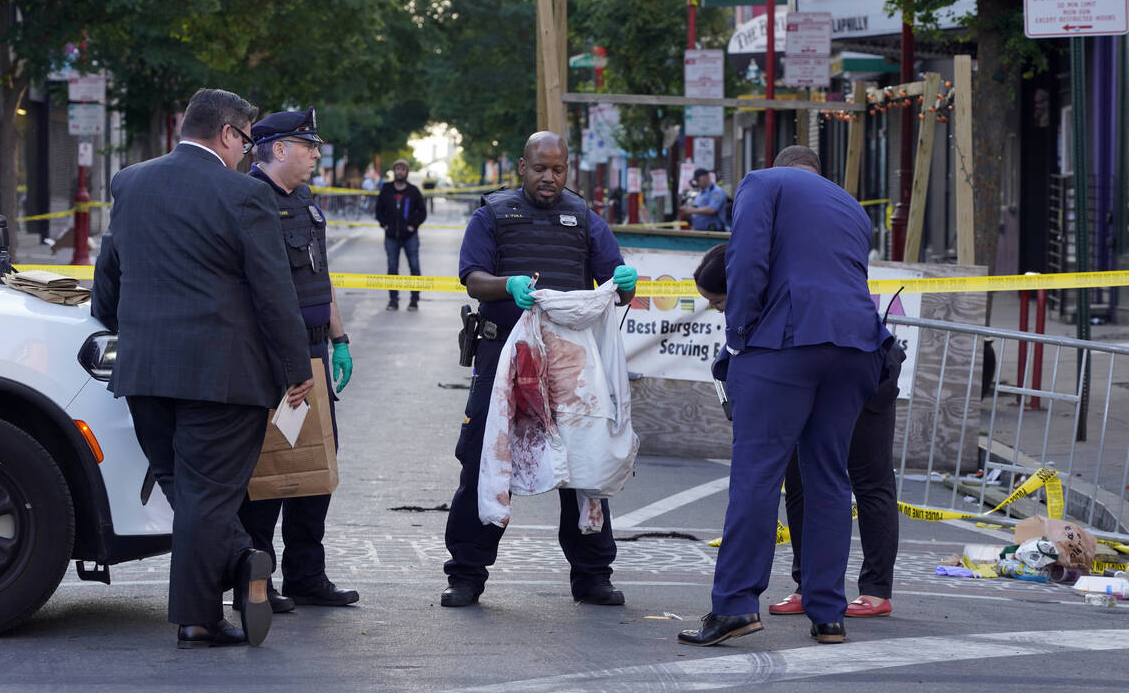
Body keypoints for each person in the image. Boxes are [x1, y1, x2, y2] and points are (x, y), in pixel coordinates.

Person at [92, 88, 314, 649]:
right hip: (224, 378)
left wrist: (123, 325)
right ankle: (199, 617)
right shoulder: (243, 196)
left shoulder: (131, 182)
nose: (247, 151)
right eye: (246, 139)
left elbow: (108, 276)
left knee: (189, 494)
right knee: (209, 498)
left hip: (145, 374)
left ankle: (243, 562)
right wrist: (296, 367)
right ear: (228, 134)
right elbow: (273, 292)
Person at [677, 145, 891, 648]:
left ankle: (734, 605)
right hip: (859, 344)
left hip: (786, 341)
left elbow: (745, 261)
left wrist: (739, 334)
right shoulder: (851, 205)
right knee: (829, 477)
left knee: (757, 476)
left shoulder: (761, 182)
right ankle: (827, 612)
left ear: (777, 164)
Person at [441, 130, 638, 608]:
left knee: (584, 464)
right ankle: (466, 575)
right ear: (521, 167)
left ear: (567, 170)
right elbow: (473, 279)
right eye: (539, 168)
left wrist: (627, 284)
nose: (549, 178)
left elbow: (618, 283)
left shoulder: (585, 219)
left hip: (569, 365)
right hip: (502, 359)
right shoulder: (493, 215)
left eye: (558, 169)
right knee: (485, 461)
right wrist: (507, 285)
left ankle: (593, 576)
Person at [691, 242, 906, 621]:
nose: (714, 307)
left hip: (861, 377)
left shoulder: (796, 287)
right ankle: (810, 587)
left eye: (717, 299)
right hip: (812, 379)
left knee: (867, 481)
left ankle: (875, 590)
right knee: (801, 480)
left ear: (739, 286)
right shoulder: (766, 301)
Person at [235, 107, 360, 612]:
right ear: (278, 149)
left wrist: (340, 336)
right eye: (307, 145)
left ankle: (307, 576)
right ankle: (258, 582)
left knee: (317, 465)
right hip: (269, 356)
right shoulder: (247, 201)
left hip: (313, 350)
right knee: (268, 470)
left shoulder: (306, 200)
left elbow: (320, 275)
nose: (315, 153)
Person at [375, 159, 427, 310]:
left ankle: (414, 300)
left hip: (410, 237)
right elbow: (379, 210)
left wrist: (413, 225)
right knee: (392, 269)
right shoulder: (386, 189)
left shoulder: (413, 191)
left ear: (407, 172)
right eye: (397, 169)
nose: (400, 172)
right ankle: (393, 300)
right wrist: (384, 224)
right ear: (394, 171)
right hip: (391, 236)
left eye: (403, 169)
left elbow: (422, 212)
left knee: (414, 267)